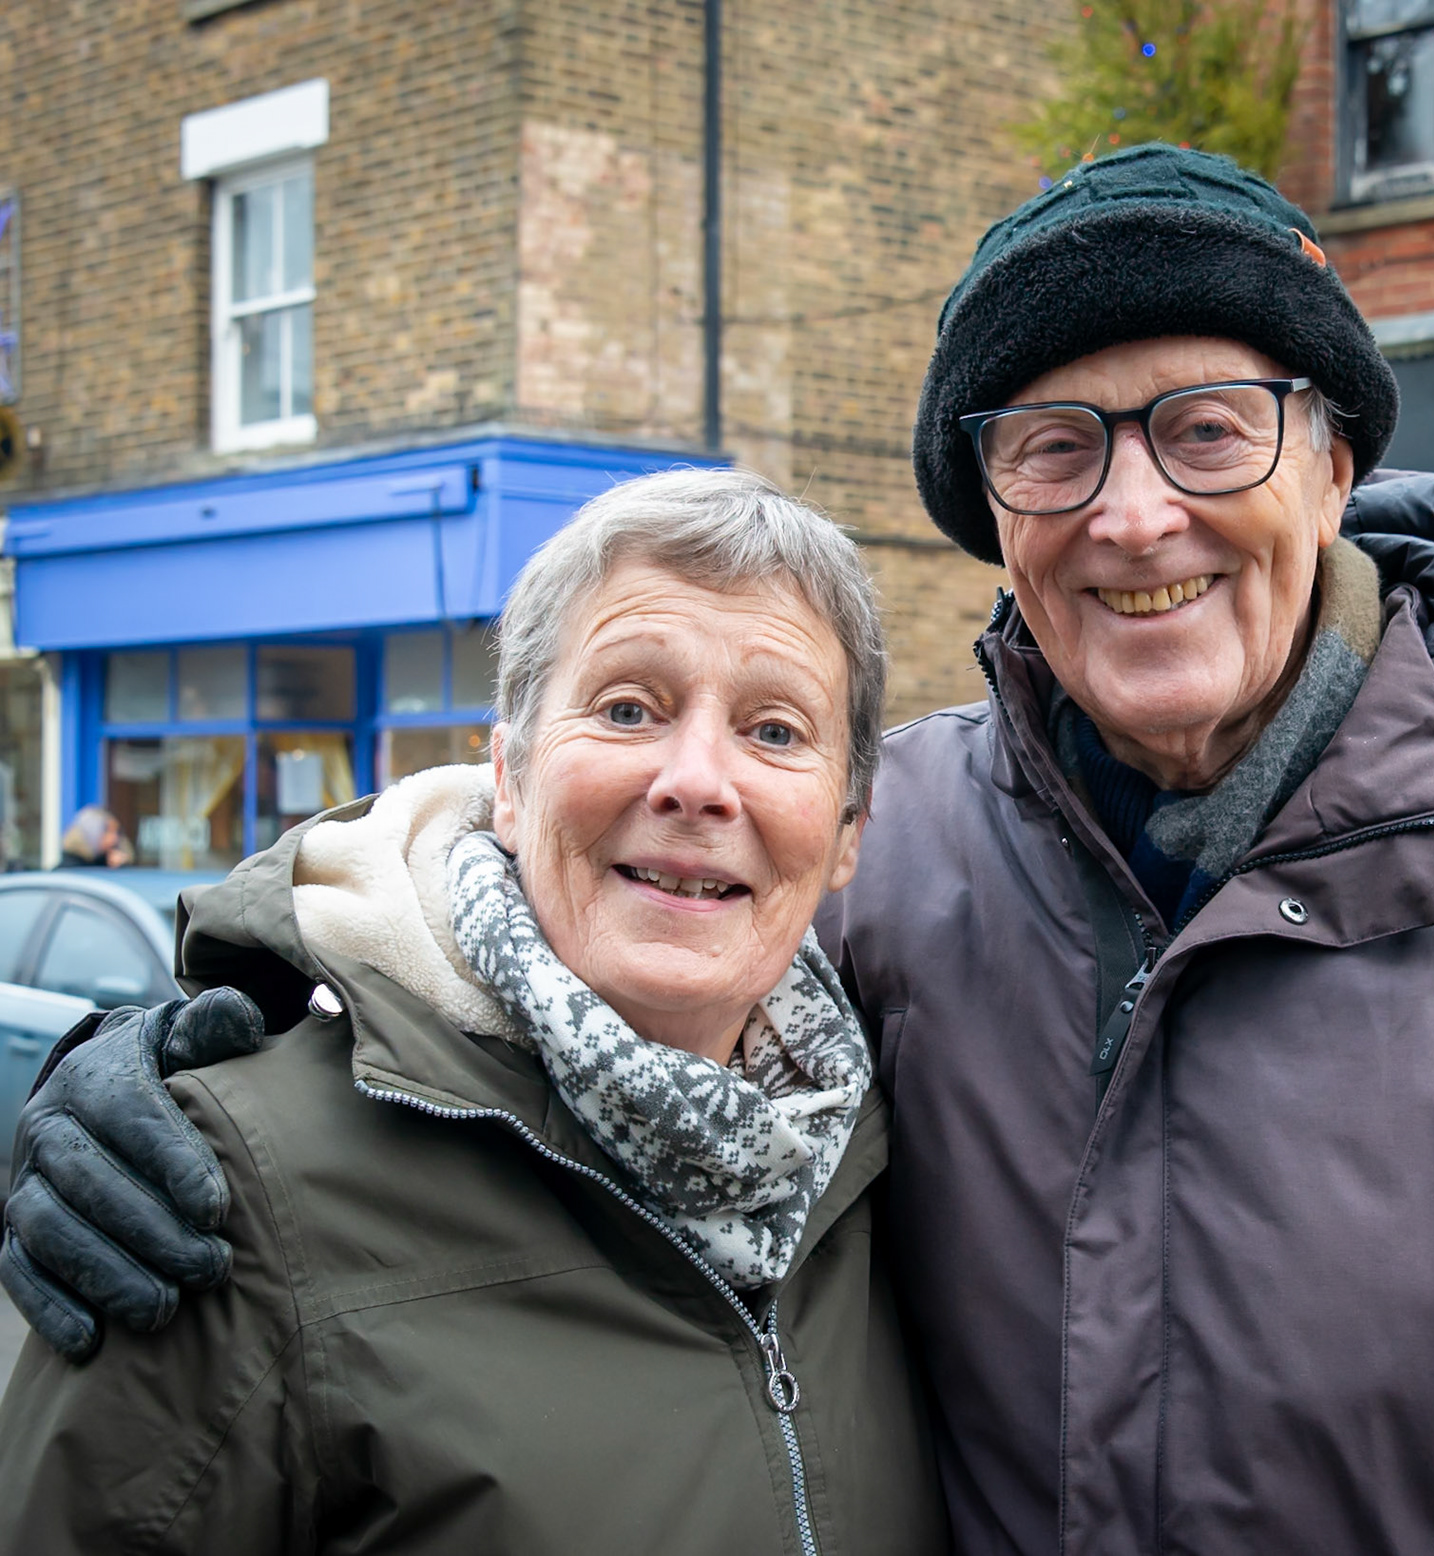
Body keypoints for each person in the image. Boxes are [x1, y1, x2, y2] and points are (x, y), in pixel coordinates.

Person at [7, 145, 1434, 1552]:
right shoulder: (888, 840)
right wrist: (229, 997)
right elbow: (546, 898)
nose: (1136, 511)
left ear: (1335, 464)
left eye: (1209, 427)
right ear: (996, 516)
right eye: (1054, 446)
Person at [0, 468, 946, 1554]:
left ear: (847, 832)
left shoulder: (886, 1162)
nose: (698, 781)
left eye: (775, 730)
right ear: (508, 774)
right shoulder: (221, 1193)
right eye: (628, 707)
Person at [57, 804, 132, 868]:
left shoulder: (105, 862)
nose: (114, 838)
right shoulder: (70, 867)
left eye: (117, 832)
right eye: (107, 831)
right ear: (92, 834)